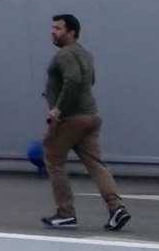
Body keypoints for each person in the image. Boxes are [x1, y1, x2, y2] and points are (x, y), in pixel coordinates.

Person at [40, 13, 129, 231]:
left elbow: (73, 80)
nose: (53, 32)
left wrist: (57, 109)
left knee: (53, 158)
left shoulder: (64, 55)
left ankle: (66, 213)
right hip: (91, 116)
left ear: (71, 32)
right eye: (53, 28)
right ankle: (116, 208)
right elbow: (91, 80)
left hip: (71, 118)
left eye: (58, 28)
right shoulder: (86, 54)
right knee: (95, 164)